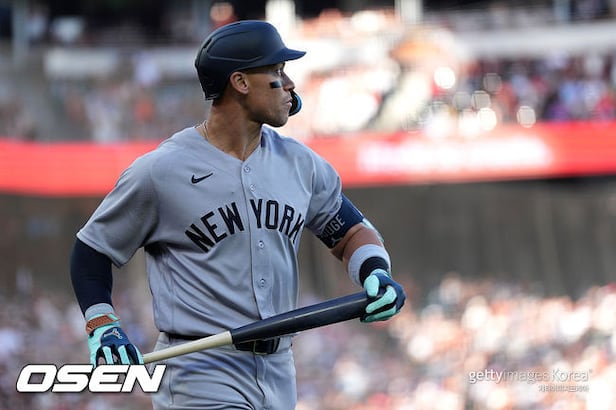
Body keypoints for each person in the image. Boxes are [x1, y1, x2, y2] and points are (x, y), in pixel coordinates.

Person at [70, 20, 406, 409]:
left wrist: (376, 271)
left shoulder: (301, 163)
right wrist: (102, 324)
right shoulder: (160, 171)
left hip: (279, 370)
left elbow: (350, 233)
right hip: (200, 369)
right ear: (241, 82)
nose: (290, 85)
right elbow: (92, 251)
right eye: (277, 72)